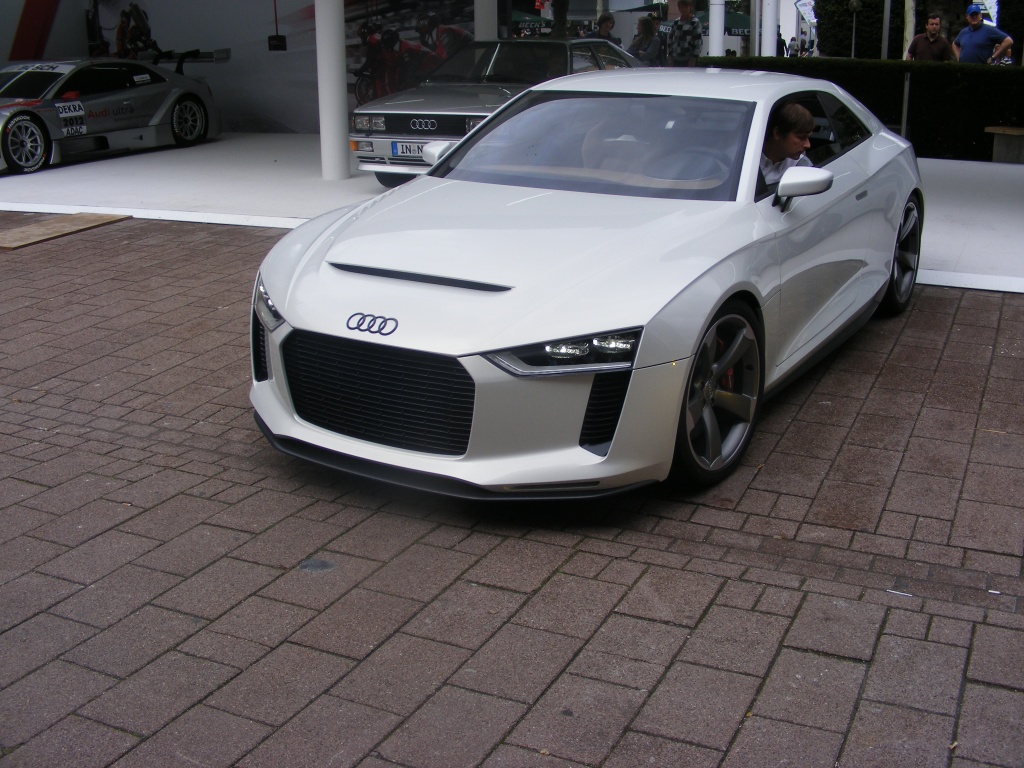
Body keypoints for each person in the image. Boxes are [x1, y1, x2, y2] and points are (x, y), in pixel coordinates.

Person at [761, 102, 814, 185]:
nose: (808, 145)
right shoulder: (743, 158)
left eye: (808, 137)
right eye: (801, 137)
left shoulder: (802, 166)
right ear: (777, 133)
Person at [668, 0, 702, 67]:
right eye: (681, 7)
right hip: (675, 58)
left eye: (686, 7)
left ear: (690, 7)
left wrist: (694, 58)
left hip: (689, 59)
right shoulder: (676, 22)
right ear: (679, 8)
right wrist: (670, 56)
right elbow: (670, 39)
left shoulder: (695, 22)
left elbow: (698, 42)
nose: (683, 9)